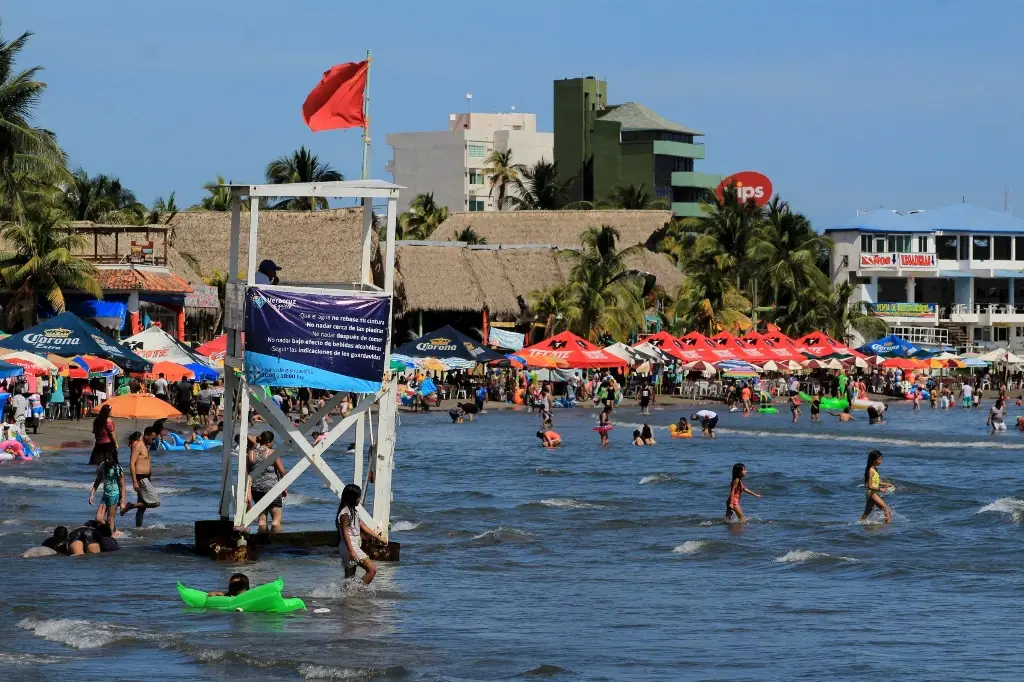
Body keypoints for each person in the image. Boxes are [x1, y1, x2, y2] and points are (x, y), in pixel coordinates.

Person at [336, 483, 386, 584]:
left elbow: (363, 526)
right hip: (349, 546)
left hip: (350, 546)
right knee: (372, 569)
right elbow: (345, 534)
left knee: (350, 577)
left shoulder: (353, 511)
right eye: (358, 497)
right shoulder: (345, 514)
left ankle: (346, 595)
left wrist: (378, 537)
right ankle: (359, 591)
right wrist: (351, 551)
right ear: (352, 498)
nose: (360, 499)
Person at [247, 431, 287, 533]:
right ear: (268, 442)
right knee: (276, 520)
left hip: (256, 489)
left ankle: (262, 543)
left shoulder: (251, 453)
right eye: (273, 441)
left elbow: (248, 472)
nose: (273, 443)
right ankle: (275, 545)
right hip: (271, 489)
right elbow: (282, 472)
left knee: (262, 519)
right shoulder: (272, 453)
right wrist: (284, 487)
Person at [121, 429, 161, 527]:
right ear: (146, 436)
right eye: (153, 438)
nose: (154, 440)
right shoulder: (138, 445)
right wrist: (134, 481)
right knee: (155, 502)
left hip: (145, 478)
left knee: (142, 506)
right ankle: (131, 505)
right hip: (141, 478)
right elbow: (131, 463)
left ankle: (138, 528)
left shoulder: (146, 446)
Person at [88, 449, 125, 534]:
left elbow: (123, 486)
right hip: (105, 495)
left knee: (110, 519)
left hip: (114, 495)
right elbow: (97, 481)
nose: (107, 460)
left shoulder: (118, 468)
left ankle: (112, 536)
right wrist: (92, 495)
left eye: (110, 458)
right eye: (106, 458)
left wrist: (122, 501)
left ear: (114, 458)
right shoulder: (102, 466)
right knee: (98, 519)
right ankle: (114, 530)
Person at [860, 450, 893, 524]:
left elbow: (877, 482)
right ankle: (887, 529)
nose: (881, 461)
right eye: (879, 459)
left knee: (866, 514)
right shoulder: (870, 470)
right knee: (887, 511)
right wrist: (880, 489)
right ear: (874, 460)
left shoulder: (874, 469)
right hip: (872, 494)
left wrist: (886, 484)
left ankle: (858, 525)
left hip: (872, 494)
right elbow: (870, 486)